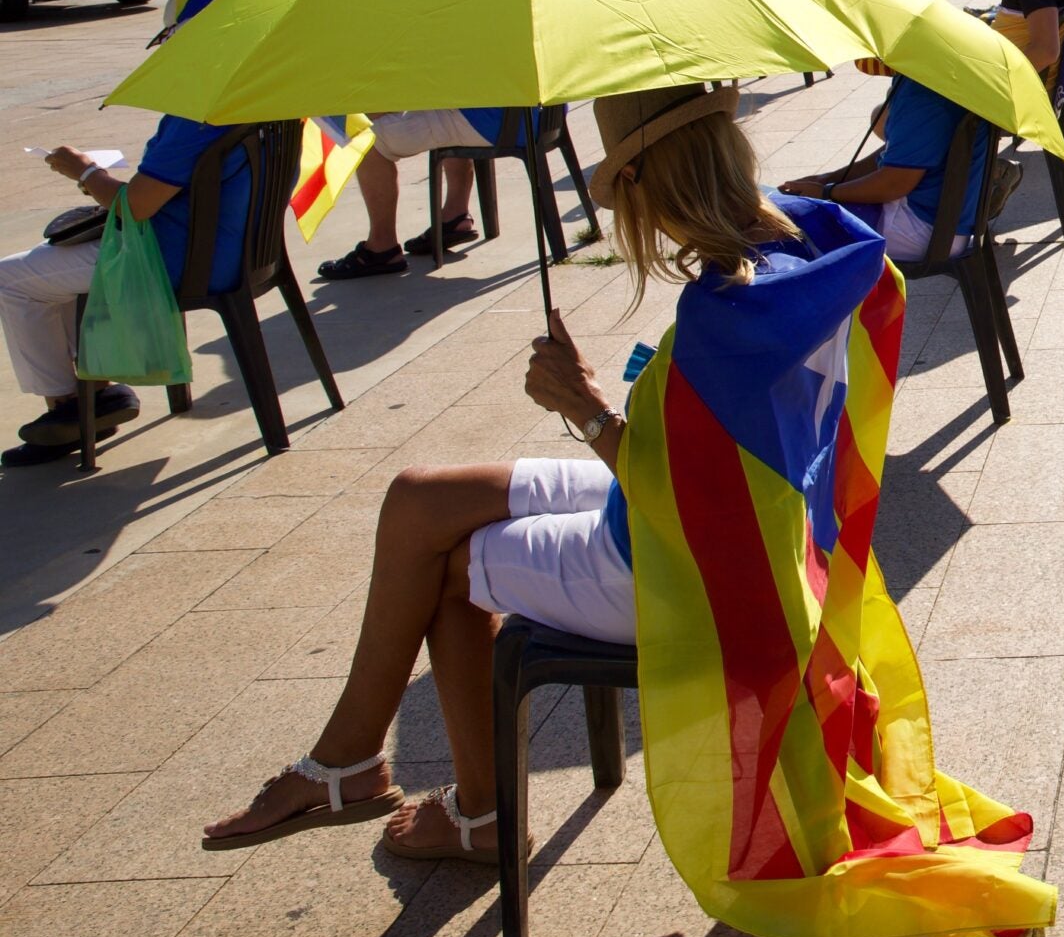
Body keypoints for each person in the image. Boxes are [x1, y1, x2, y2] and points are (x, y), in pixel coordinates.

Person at [198, 84, 833, 859]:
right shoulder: (799, 247)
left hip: (685, 559)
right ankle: (350, 760)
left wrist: (588, 409)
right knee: (419, 497)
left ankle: (479, 813)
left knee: (454, 568)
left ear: (646, 181)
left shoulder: (728, 309)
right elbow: (730, 463)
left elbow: (692, 494)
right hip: (740, 527)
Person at [0, 0, 251, 465]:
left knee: (13, 279)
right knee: (48, 268)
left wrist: (86, 172)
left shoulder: (199, 111)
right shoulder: (255, 94)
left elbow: (134, 207)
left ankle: (71, 405)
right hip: (228, 250)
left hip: (173, 258)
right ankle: (96, 394)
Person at [783, 61, 989, 262]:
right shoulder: (939, 72)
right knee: (791, 212)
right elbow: (892, 158)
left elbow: (895, 183)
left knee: (784, 227)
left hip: (925, 231)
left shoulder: (920, 92)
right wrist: (826, 179)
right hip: (947, 222)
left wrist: (827, 193)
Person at [315, 107, 503, 279]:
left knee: (363, 135)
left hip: (487, 120)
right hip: (523, 115)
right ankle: (454, 216)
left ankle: (381, 247)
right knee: (449, 101)